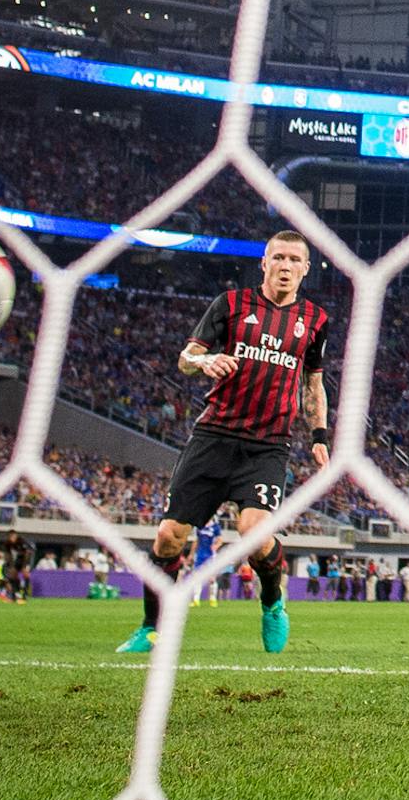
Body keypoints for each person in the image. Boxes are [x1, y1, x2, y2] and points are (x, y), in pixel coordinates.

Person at [116, 230, 333, 656]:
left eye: (294, 260)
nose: (286, 266)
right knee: (169, 535)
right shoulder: (230, 305)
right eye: (278, 257)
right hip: (213, 436)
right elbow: (185, 358)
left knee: (253, 533)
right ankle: (150, 628)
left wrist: (320, 435)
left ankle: (272, 602)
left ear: (306, 269)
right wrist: (205, 359)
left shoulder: (315, 320)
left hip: (268, 445)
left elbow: (314, 383)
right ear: (264, 263)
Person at [191, 515, 223, 608]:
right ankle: (196, 600)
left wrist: (215, 546)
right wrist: (191, 554)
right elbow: (196, 541)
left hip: (210, 556)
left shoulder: (215, 527)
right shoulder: (199, 526)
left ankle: (213, 599)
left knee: (212, 578)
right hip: (200, 555)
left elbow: (220, 540)